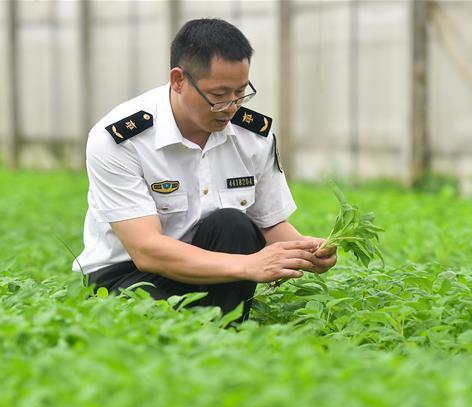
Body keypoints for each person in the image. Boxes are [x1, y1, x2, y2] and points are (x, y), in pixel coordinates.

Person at [74, 18, 336, 321]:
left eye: (240, 92)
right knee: (151, 322)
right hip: (126, 276)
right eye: (219, 95)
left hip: (215, 270)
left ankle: (224, 332)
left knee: (233, 223)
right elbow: (146, 250)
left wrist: (306, 252)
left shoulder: (253, 137)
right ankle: (213, 331)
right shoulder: (120, 139)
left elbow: (270, 225)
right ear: (178, 80)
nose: (231, 107)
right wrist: (250, 266)